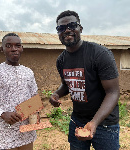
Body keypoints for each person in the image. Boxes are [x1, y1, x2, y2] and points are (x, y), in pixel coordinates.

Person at [49, 10, 120, 150]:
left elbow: (113, 92)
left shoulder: (99, 54)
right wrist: (56, 94)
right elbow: (66, 84)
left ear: (80, 28)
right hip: (77, 120)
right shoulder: (61, 60)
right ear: (58, 32)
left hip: (105, 124)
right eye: (61, 28)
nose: (67, 30)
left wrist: (94, 122)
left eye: (72, 25)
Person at [0, 33, 38, 150]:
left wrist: (36, 113)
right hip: (5, 133)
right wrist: (2, 113)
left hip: (27, 132)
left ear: (22, 48)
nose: (14, 49)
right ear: (2, 49)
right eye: (9, 46)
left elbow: (34, 97)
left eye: (18, 45)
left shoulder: (28, 72)